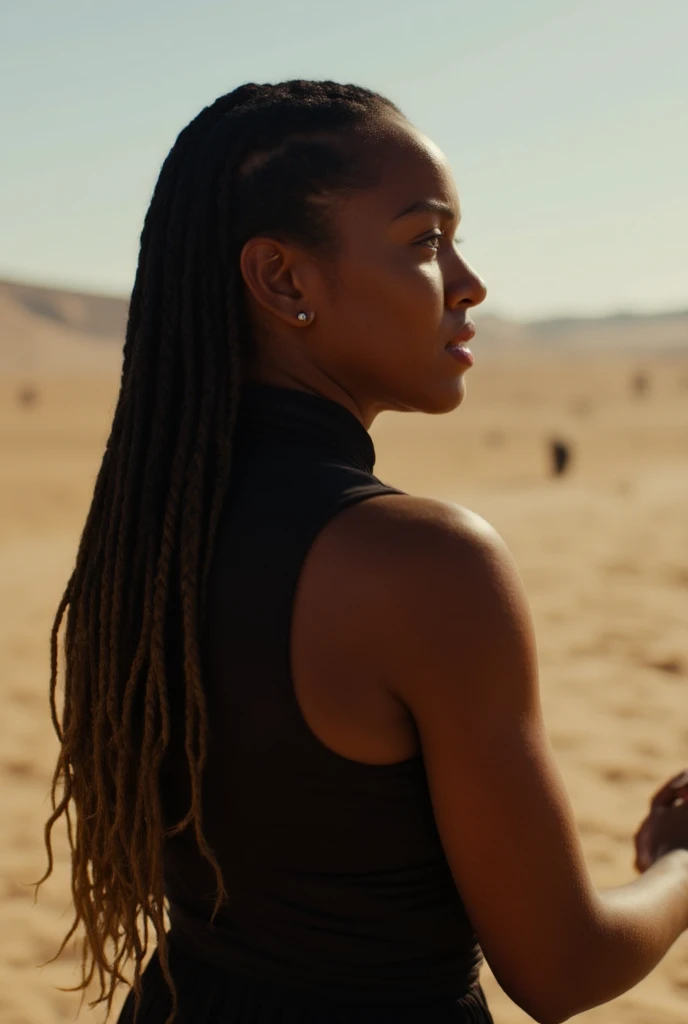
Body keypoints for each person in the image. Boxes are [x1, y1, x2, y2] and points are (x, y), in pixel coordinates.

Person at [37, 79, 688, 1024]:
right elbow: (561, 969)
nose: (469, 281)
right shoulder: (423, 565)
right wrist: (677, 862)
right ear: (285, 280)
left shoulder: (151, 534)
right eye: (425, 241)